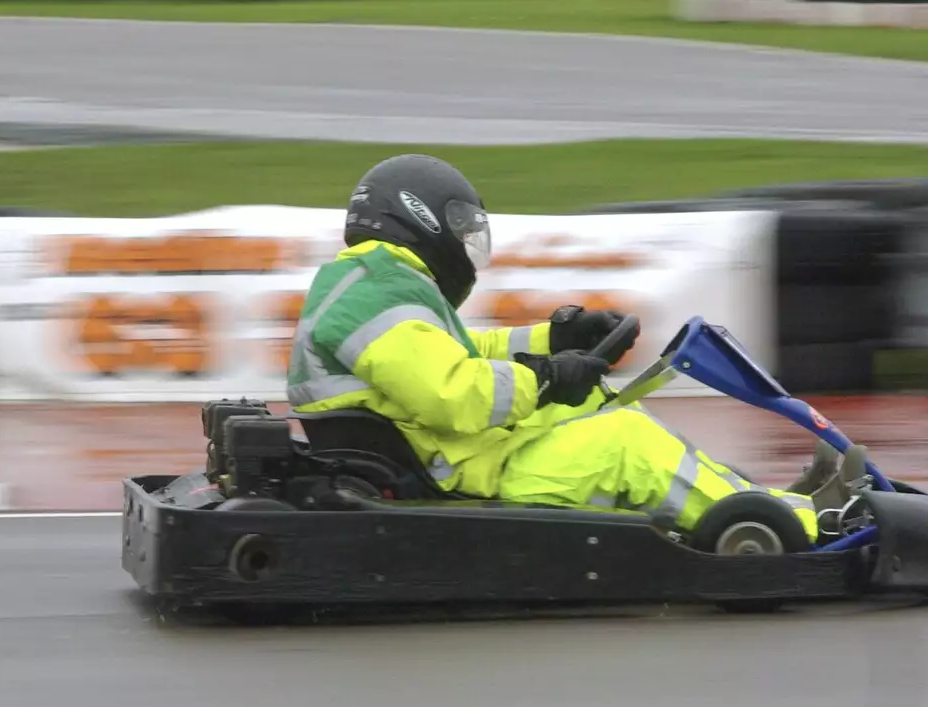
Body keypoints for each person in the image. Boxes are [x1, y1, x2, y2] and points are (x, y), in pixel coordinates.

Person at [286, 153, 868, 544]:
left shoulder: (376, 283)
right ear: (420, 219)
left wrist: (555, 339)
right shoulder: (372, 298)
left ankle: (754, 503)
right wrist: (544, 378)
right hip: (450, 470)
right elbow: (452, 395)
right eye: (459, 226)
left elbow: (458, 352)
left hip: (445, 452)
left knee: (603, 407)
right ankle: (804, 526)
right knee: (623, 443)